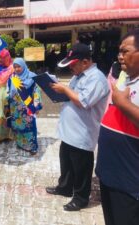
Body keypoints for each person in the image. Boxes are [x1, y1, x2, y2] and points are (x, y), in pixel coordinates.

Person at [45, 43, 110, 211]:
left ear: (86, 62)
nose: (71, 67)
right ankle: (65, 187)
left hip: (82, 132)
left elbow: (83, 101)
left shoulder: (97, 78)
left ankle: (81, 198)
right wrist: (58, 90)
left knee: (81, 167)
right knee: (66, 161)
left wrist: (65, 90)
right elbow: (72, 94)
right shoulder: (79, 75)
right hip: (69, 131)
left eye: (73, 64)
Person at [95, 30, 139, 225]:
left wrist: (123, 103)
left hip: (129, 182)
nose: (120, 56)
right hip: (109, 174)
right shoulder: (125, 79)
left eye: (125, 51)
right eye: (119, 51)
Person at [7, 58, 42, 155]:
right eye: (15, 67)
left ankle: (32, 146)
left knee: (29, 126)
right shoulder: (12, 77)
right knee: (18, 126)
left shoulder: (32, 76)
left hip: (28, 107)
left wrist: (36, 105)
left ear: (23, 66)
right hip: (15, 108)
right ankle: (21, 143)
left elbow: (36, 91)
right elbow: (8, 90)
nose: (17, 69)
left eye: (19, 66)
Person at [0, 49, 14, 142]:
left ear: (7, 57)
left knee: (6, 112)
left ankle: (7, 134)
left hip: (7, 92)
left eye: (2, 58)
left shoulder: (12, 68)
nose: (0, 60)